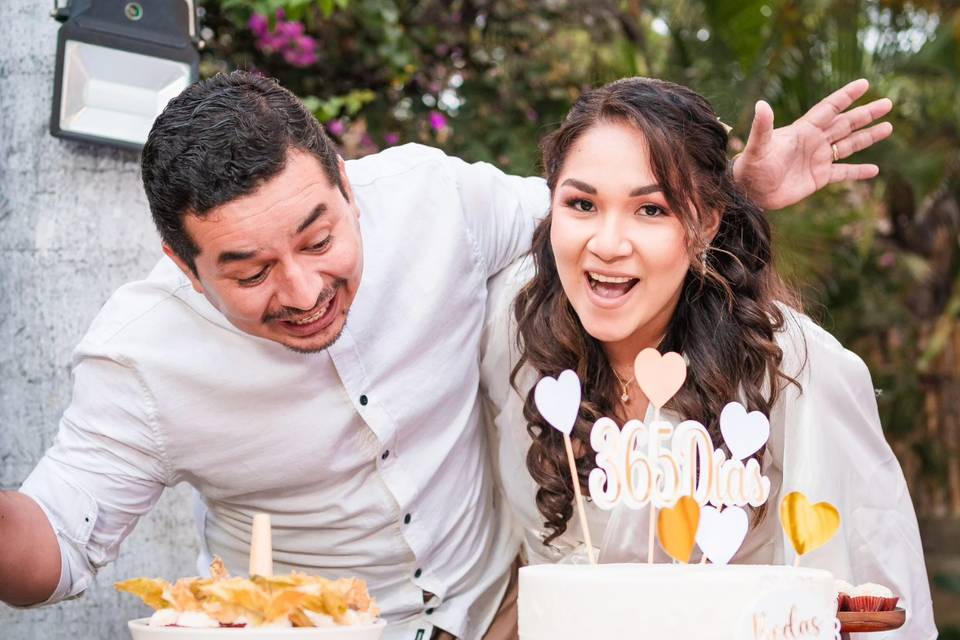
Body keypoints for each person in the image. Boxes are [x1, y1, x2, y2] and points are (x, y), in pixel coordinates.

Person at [0, 71, 895, 640]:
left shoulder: (437, 202)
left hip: (498, 623)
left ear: (348, 183)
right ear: (183, 269)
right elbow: (53, 547)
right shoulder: (139, 359)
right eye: (250, 271)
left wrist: (735, 195)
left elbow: (597, 229)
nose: (305, 290)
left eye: (319, 238)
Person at [479, 77, 936, 638]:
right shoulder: (515, 334)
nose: (607, 243)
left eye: (651, 210)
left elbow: (876, 593)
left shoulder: (793, 367)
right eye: (582, 204)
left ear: (706, 224)